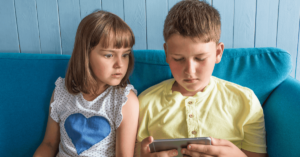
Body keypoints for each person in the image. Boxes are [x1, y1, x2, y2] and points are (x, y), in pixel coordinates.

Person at [136, 0, 267, 157]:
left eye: (200, 58)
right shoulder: (144, 104)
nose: (190, 71)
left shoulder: (246, 101)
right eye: (178, 58)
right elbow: (132, 150)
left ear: (218, 53)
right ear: (166, 53)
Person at [33, 10, 139, 157]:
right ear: (85, 55)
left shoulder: (124, 100)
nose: (119, 64)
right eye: (109, 55)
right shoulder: (62, 92)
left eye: (125, 55)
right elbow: (49, 143)